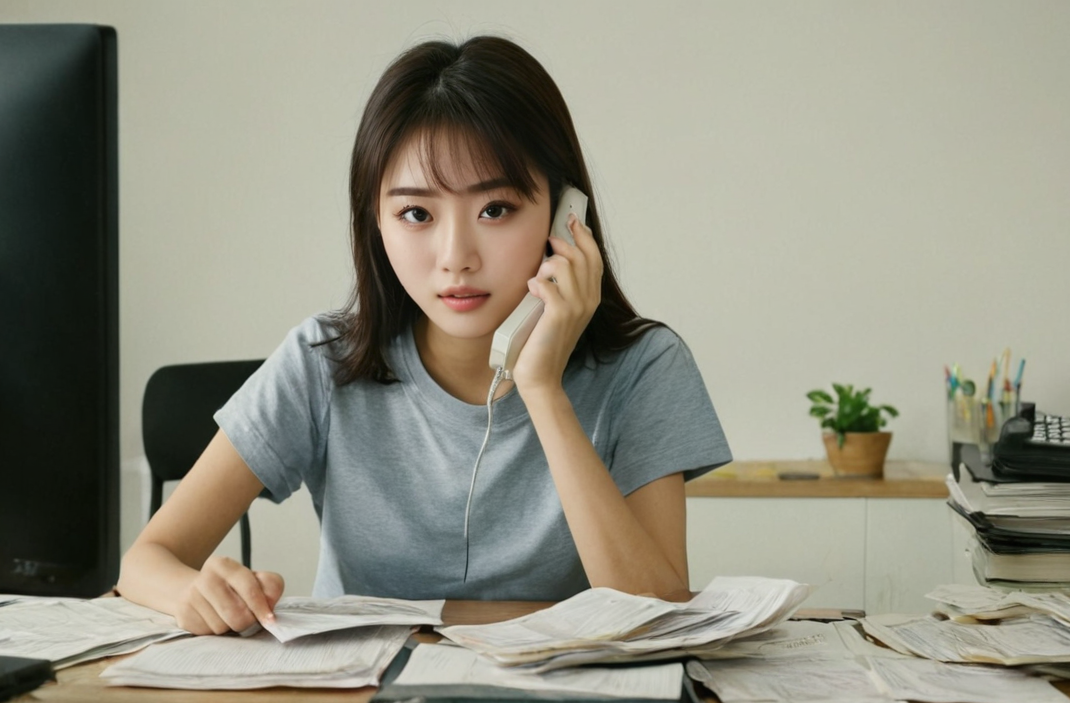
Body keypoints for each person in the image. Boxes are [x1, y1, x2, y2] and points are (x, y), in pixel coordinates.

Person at [116, 36, 731, 635]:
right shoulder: (320, 363)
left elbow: (656, 616)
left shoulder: (646, 367)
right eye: (416, 214)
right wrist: (196, 593)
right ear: (375, 223)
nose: (455, 256)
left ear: (567, 215)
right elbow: (145, 562)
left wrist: (541, 386)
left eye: (495, 209)